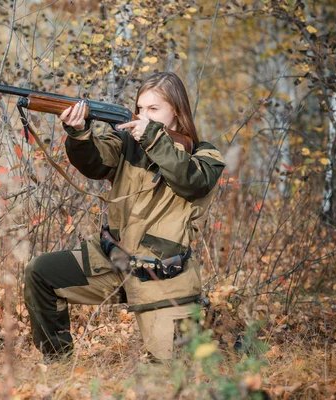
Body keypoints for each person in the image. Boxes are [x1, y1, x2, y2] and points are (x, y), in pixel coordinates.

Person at [24, 72, 225, 362]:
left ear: (178, 113)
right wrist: (79, 133)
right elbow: (94, 163)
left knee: (173, 374)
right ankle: (57, 364)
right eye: (140, 108)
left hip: (162, 277)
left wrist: (155, 139)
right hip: (113, 261)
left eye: (154, 109)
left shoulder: (205, 155)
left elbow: (192, 182)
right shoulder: (124, 141)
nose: (144, 116)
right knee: (40, 272)